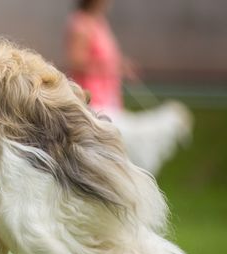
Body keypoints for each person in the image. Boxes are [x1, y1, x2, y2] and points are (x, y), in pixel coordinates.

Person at [65, 0, 192, 175]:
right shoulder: (81, 23)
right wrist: (112, 67)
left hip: (109, 96)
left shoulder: (99, 22)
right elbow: (77, 61)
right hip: (93, 99)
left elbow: (104, 59)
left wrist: (121, 66)